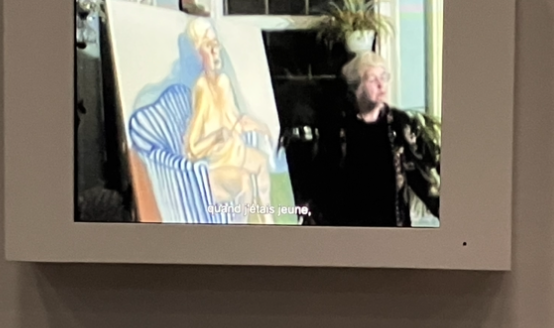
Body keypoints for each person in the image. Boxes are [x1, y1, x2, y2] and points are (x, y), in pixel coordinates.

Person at [285, 51, 440, 227]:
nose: (381, 84)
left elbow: (421, 177)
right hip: (348, 229)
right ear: (356, 87)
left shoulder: (399, 124)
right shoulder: (338, 127)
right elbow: (321, 181)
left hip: (392, 228)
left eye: (384, 77)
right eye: (372, 79)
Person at [182, 18, 274, 224]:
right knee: (244, 181)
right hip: (216, 165)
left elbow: (234, 121)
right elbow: (192, 149)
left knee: (261, 162)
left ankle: (269, 223)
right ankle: (239, 232)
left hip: (233, 154)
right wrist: (216, 137)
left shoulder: (223, 82)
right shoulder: (202, 88)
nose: (216, 51)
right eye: (209, 46)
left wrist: (255, 125)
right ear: (198, 52)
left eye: (216, 44)